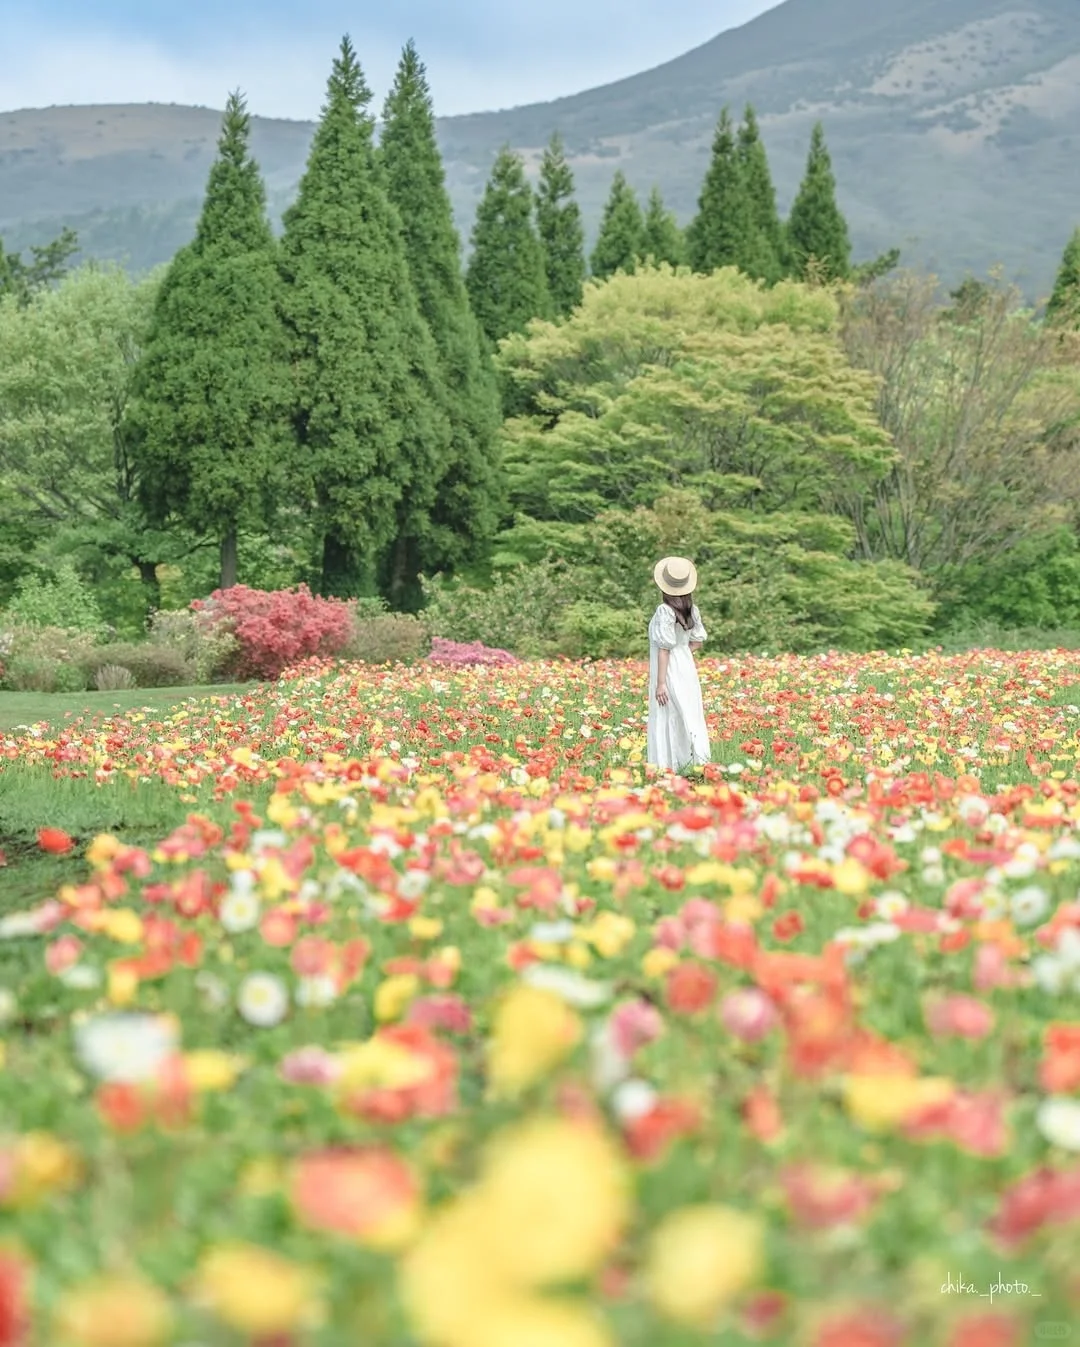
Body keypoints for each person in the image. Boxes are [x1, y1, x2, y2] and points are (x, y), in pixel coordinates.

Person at [646, 556, 711, 772]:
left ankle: (669, 766)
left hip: (669, 668)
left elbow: (664, 649)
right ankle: (695, 763)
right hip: (686, 666)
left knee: (669, 713)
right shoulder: (692, 610)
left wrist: (661, 683)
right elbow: (698, 641)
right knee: (690, 713)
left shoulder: (664, 610)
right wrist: (683, 654)